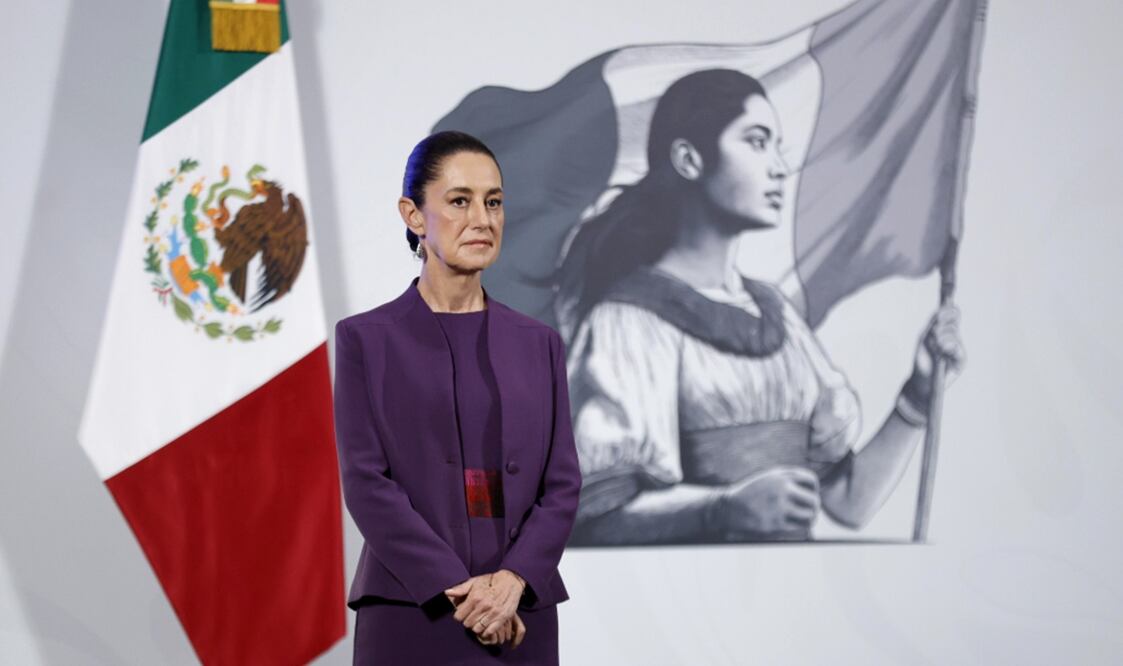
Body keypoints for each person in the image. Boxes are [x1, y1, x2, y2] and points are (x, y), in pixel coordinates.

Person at [551, 69, 966, 545]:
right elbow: (595, 517)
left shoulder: (779, 316)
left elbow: (848, 503)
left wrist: (918, 395)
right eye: (756, 141)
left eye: (776, 145)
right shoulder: (628, 321)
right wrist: (721, 509)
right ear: (689, 159)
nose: (777, 167)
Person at [333, 130, 581, 663]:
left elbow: (561, 486)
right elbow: (366, 484)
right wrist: (464, 593)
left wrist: (512, 582)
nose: (482, 219)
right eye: (460, 201)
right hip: (412, 608)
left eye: (493, 202)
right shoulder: (366, 339)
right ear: (414, 215)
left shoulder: (540, 344)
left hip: (521, 611)